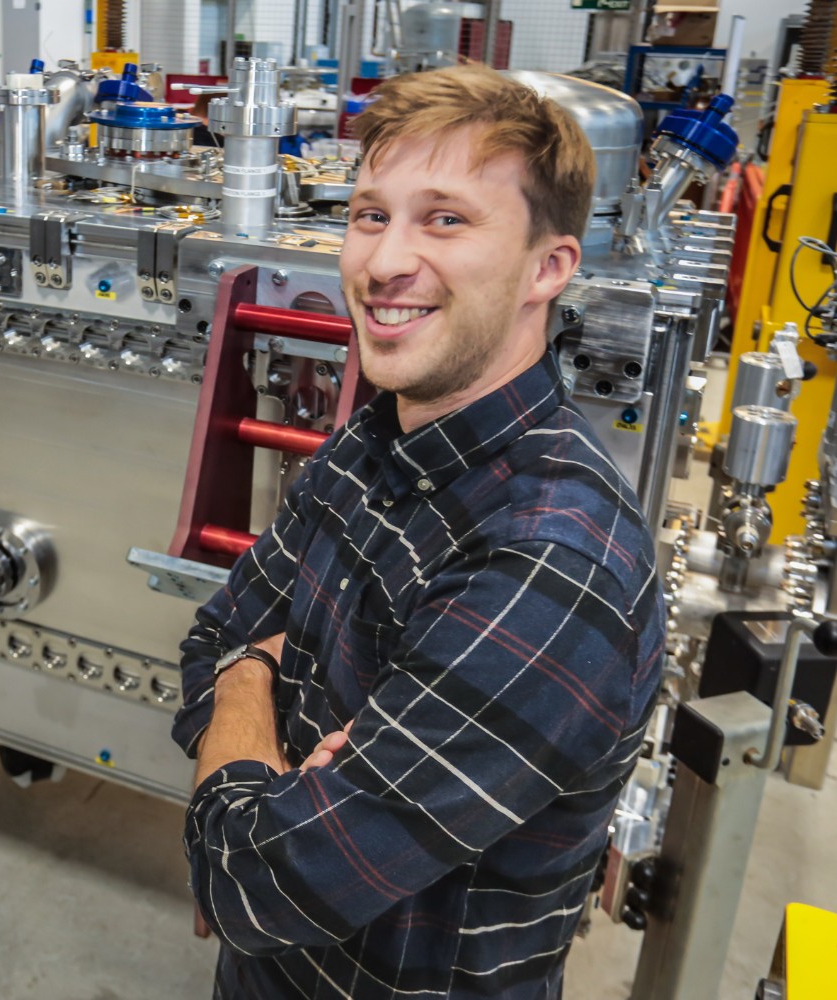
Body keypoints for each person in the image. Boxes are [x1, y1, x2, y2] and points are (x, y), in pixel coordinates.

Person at [173, 63, 665, 1000]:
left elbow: (253, 883)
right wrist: (250, 682)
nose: (385, 262)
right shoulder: (375, 441)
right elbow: (210, 641)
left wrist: (242, 770)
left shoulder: (553, 561)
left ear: (549, 267)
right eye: (370, 214)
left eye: (445, 219)